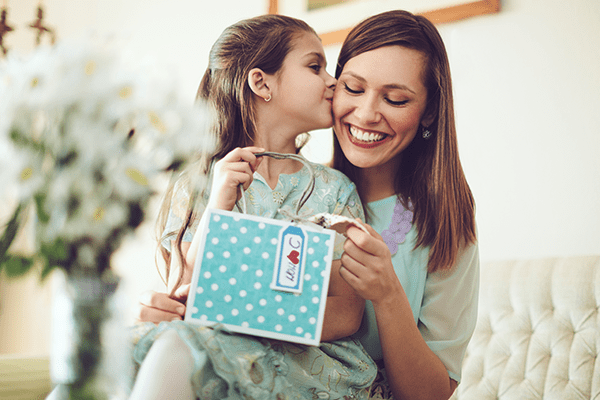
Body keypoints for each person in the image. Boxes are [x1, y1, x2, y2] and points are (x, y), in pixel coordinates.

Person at [130, 14, 376, 400]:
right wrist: (219, 206)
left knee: (178, 350)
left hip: (307, 365)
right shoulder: (197, 184)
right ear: (261, 82)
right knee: (128, 352)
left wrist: (238, 313)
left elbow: (346, 314)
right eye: (315, 66)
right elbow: (182, 296)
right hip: (213, 346)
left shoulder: (334, 189)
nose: (332, 81)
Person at [330, 10, 480, 400]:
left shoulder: (445, 222)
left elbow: (433, 393)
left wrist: (388, 295)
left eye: (395, 98)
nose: (365, 114)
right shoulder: (296, 193)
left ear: (429, 110)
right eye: (353, 88)